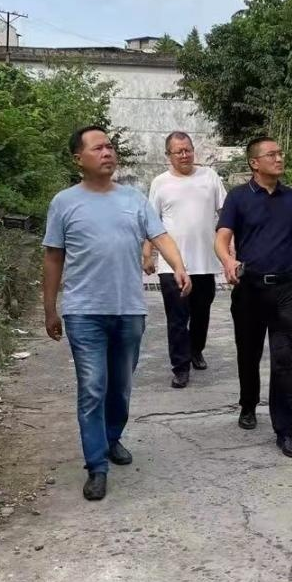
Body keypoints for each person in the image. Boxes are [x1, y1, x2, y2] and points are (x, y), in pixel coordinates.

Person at [43, 126, 191, 501]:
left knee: (121, 385)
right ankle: (96, 465)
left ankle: (111, 438)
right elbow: (53, 257)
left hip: (129, 310)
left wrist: (178, 265)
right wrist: (50, 309)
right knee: (93, 387)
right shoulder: (64, 202)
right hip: (84, 312)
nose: (107, 152)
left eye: (110, 146)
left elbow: (160, 236)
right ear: (78, 159)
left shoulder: (133, 199)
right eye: (98, 148)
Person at [214, 137, 292, 458]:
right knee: (249, 353)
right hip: (250, 289)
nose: (279, 158)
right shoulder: (238, 197)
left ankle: (285, 430)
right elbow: (221, 238)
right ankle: (248, 404)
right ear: (254, 163)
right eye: (272, 154)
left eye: (280, 153)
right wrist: (228, 261)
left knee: (283, 360)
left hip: (286, 289)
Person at [142, 132, 227, 389]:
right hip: (171, 265)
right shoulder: (160, 183)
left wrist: (230, 249)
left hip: (205, 262)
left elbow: (225, 214)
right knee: (177, 319)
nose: (184, 155)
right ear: (168, 155)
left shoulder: (209, 177)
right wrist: (147, 253)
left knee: (201, 314)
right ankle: (180, 367)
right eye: (178, 151)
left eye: (188, 149)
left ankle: (195, 349)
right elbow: (151, 222)